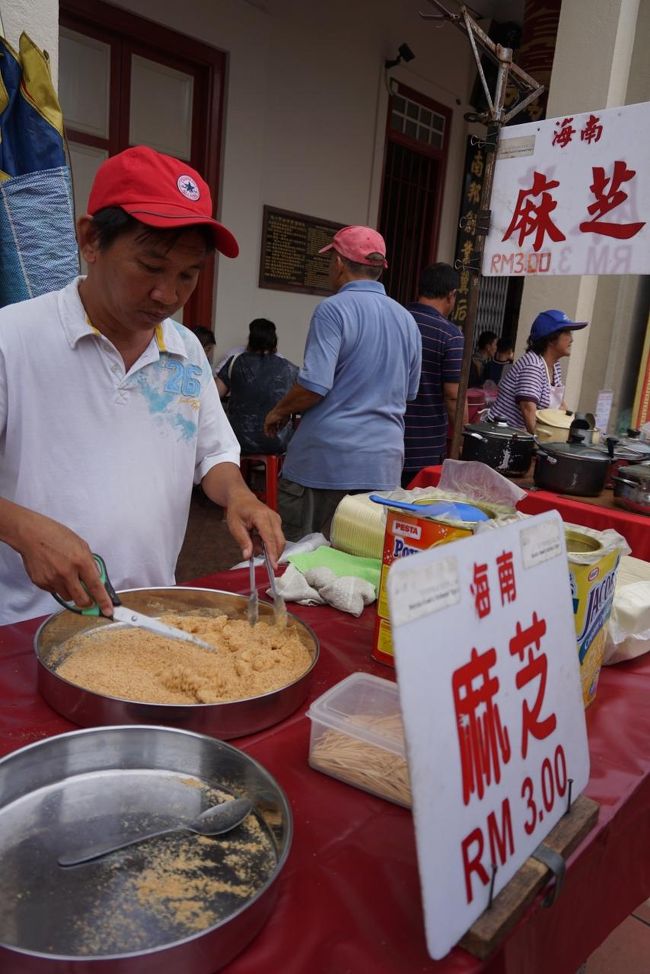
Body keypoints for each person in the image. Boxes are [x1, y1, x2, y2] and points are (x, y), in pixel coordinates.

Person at [0, 145, 283, 625]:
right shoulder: (14, 338)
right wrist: (23, 529)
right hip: (27, 624)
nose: (167, 294)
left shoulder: (185, 350)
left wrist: (239, 495)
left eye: (188, 275)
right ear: (91, 240)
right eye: (150, 267)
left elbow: (213, 453)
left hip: (148, 616)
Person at [263, 225, 421, 541]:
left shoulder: (332, 310)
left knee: (300, 557)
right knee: (361, 561)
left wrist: (278, 411)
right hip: (382, 465)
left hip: (325, 462)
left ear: (338, 263)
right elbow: (409, 392)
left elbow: (314, 386)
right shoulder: (407, 319)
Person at [401, 263, 465, 488]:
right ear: (451, 295)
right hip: (423, 448)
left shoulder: (395, 320)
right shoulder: (450, 335)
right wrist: (462, 438)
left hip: (382, 440)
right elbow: (453, 396)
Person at [485, 309, 588, 434]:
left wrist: (576, 429)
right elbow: (528, 411)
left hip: (521, 435)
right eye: (567, 333)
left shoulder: (554, 366)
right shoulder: (533, 365)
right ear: (551, 339)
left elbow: (560, 406)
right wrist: (545, 441)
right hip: (502, 435)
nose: (571, 339)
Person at [216, 318, 299, 454]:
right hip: (276, 441)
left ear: (250, 340)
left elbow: (215, 394)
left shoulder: (235, 362)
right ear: (274, 341)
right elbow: (301, 398)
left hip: (237, 439)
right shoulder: (289, 368)